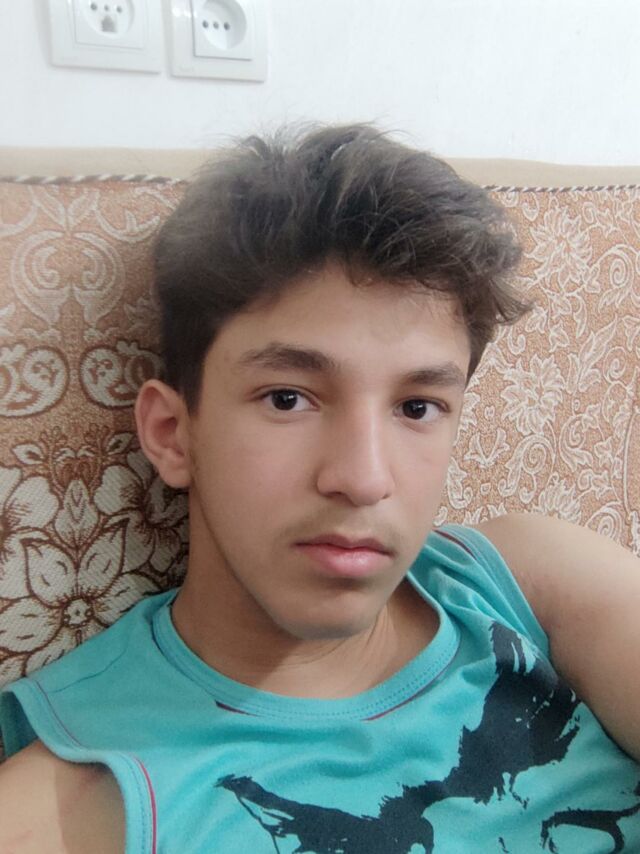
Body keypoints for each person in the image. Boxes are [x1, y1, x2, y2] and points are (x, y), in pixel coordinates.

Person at [0, 124, 639, 854]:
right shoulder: (81, 803)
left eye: (417, 407)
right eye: (288, 398)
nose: (364, 479)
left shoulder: (525, 582)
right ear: (173, 434)